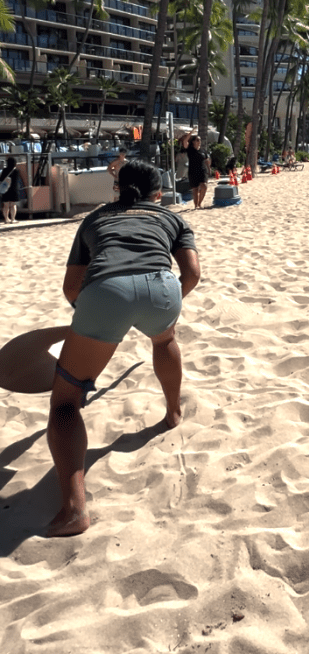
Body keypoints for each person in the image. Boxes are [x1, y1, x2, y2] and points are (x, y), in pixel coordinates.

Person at [48, 161, 200, 537]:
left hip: (105, 292)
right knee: (164, 339)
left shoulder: (94, 220)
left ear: (118, 190)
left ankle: (73, 509)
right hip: (162, 288)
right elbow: (193, 274)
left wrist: (92, 320)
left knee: (65, 402)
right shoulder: (172, 219)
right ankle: (172, 413)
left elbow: (71, 287)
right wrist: (167, 301)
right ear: (158, 193)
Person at [186, 135, 210, 209]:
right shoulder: (190, 150)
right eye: (197, 140)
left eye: (199, 140)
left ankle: (199, 203)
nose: (199, 141)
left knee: (204, 187)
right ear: (193, 141)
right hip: (193, 171)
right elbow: (185, 142)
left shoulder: (203, 151)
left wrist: (209, 169)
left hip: (202, 171)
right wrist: (190, 133)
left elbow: (207, 161)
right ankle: (196, 205)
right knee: (195, 189)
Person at [0, 156, 21, 223]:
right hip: (14, 189)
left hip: (5, 189)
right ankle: (13, 219)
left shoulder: (4, 170)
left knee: (5, 205)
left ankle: (6, 219)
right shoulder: (16, 171)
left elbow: (1, 179)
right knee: (13, 205)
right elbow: (16, 181)